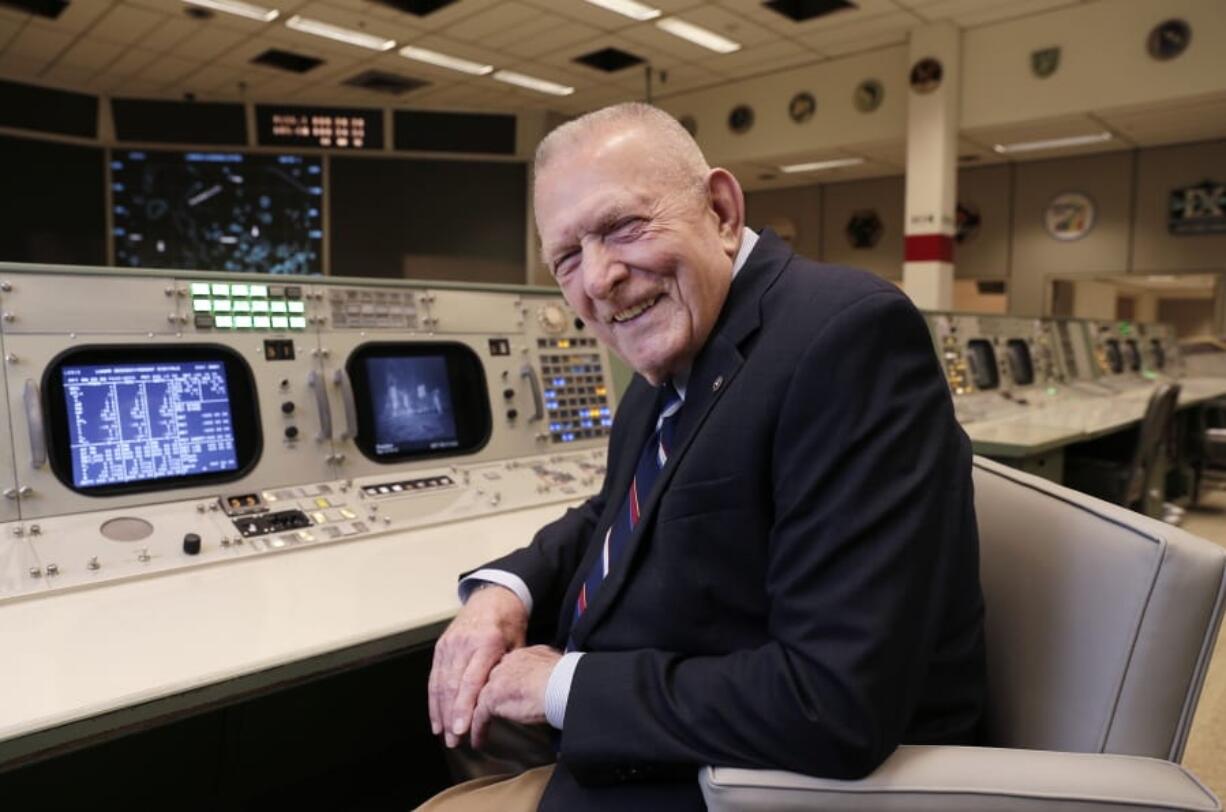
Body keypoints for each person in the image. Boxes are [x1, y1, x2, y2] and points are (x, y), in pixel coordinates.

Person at [420, 102, 986, 810]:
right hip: (655, 740)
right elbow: (614, 512)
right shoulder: (677, 349)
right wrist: (504, 592)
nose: (598, 279)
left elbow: (835, 702)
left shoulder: (845, 336)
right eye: (567, 256)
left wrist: (562, 685)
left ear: (720, 210)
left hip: (740, 786)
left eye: (622, 226)